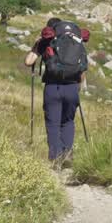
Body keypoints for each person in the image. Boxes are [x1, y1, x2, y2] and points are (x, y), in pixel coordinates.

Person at [24, 17, 89, 166]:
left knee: (53, 124)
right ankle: (67, 155)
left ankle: (55, 159)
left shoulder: (46, 41)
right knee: (68, 121)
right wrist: (78, 87)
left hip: (53, 88)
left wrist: (37, 44)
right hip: (72, 87)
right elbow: (82, 69)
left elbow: (28, 62)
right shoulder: (76, 41)